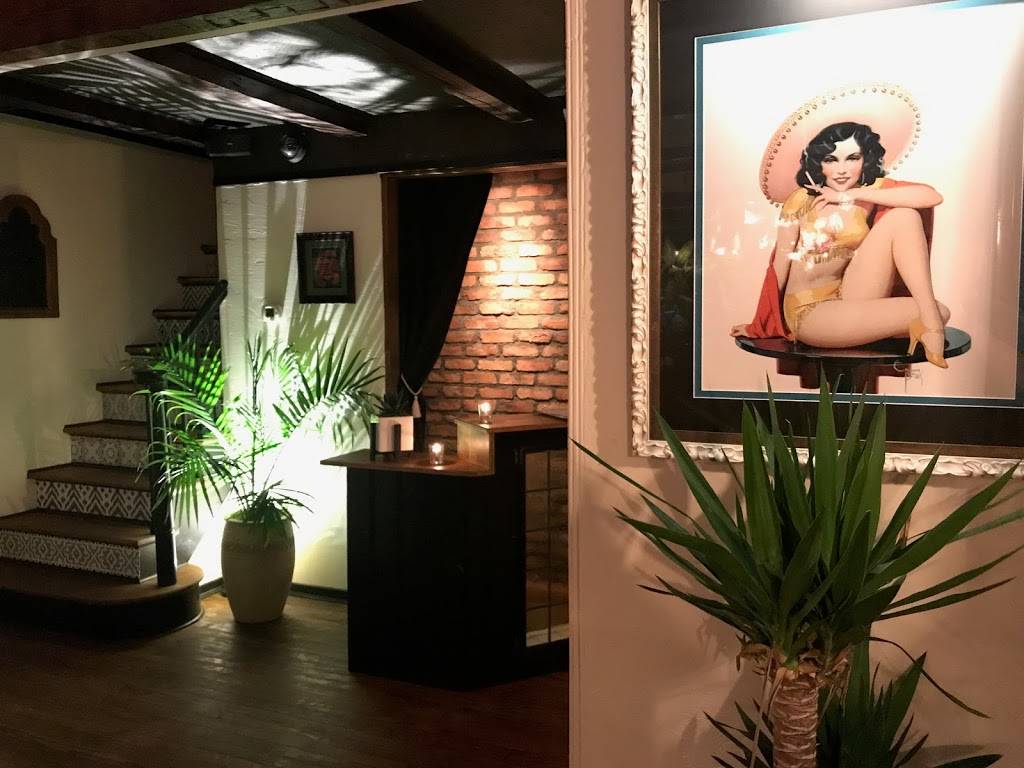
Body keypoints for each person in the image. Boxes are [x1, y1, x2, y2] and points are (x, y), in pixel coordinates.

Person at [731, 117, 950, 368]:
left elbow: (931, 196)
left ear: (865, 159)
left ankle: (929, 325)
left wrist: (849, 195)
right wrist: (760, 323)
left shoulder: (866, 191)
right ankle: (928, 324)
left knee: (904, 215)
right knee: (939, 311)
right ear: (819, 162)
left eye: (852, 158)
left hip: (848, 293)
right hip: (809, 311)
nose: (842, 169)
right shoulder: (801, 199)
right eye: (831, 159)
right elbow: (781, 263)